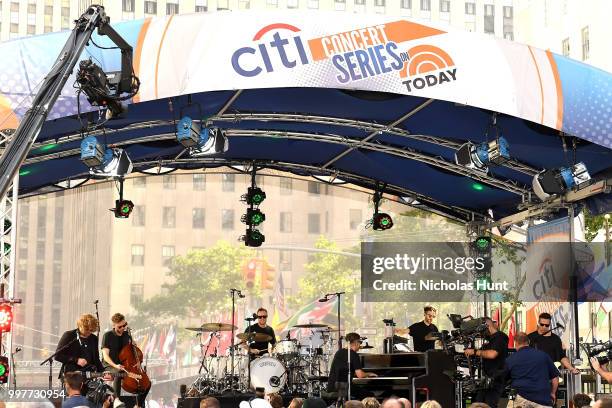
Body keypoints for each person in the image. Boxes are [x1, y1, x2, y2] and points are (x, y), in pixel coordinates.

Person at [102, 313, 150, 408]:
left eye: (125, 325)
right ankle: (116, 399)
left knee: (146, 383)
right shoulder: (107, 336)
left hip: (125, 366)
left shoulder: (127, 335)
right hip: (110, 365)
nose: (123, 328)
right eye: (120, 326)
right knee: (118, 372)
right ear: (114, 325)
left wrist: (137, 360)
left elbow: (135, 349)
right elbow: (105, 356)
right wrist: (116, 365)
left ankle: (138, 405)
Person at [504, 332, 560, 407]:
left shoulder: (510, 359)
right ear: (528, 342)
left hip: (519, 397)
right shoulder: (543, 355)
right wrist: (552, 393)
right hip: (542, 399)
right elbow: (555, 378)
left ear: (516, 343)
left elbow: (503, 379)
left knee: (511, 400)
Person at [464, 317, 508, 407]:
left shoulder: (499, 337)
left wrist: (474, 352)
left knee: (490, 405)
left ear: (486, 326)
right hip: (486, 381)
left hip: (496, 380)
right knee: (478, 404)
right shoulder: (490, 340)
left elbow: (492, 354)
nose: (480, 333)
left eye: (481, 330)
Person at [55, 314, 105, 379]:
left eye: (91, 330)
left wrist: (103, 372)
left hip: (89, 375)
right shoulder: (69, 335)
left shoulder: (94, 338)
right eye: (87, 329)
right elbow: (57, 356)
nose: (89, 332)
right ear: (80, 325)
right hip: (71, 375)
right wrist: (76, 360)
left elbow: (96, 359)